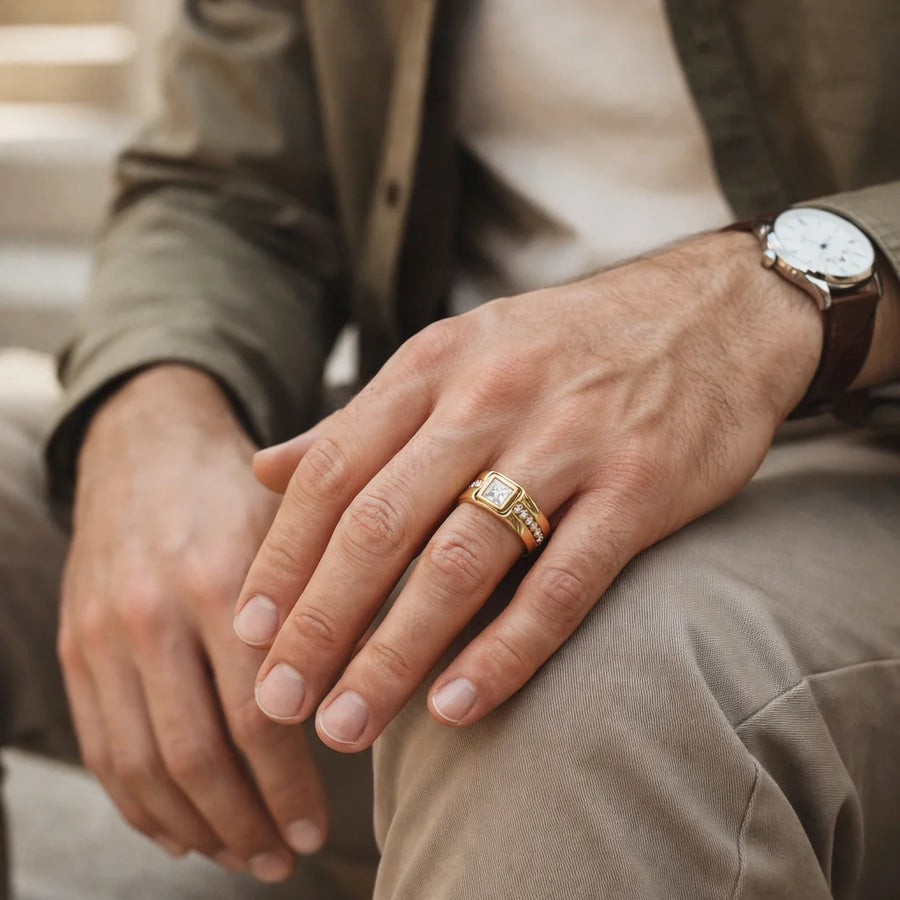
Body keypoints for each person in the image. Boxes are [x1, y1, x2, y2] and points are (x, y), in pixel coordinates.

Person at [2, 0, 900, 897]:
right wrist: (157, 403)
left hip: (857, 438)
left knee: (586, 678)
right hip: (435, 435)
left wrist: (763, 303)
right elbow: (227, 181)